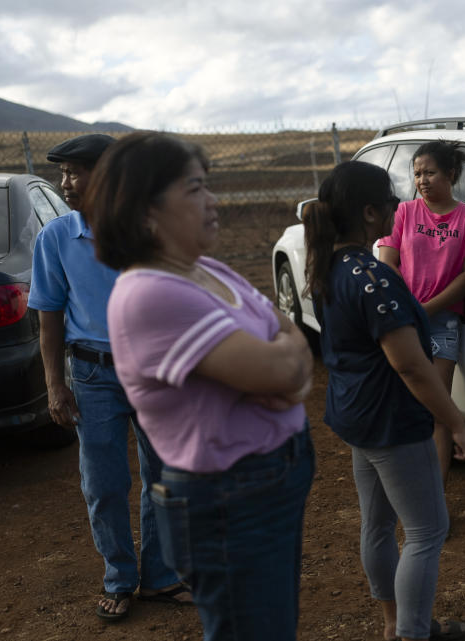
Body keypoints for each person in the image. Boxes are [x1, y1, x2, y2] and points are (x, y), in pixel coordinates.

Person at [88, 131, 315, 640]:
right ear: (146, 209)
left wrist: (284, 362)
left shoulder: (205, 269)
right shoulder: (151, 294)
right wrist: (286, 363)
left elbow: (291, 337)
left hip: (267, 480)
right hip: (231, 499)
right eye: (195, 189)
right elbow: (287, 367)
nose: (213, 201)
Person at [304, 160, 465, 641]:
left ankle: (394, 624)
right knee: (426, 531)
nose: (399, 205)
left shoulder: (328, 265)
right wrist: (456, 423)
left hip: (357, 414)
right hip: (391, 419)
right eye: (390, 199)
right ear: (369, 213)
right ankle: (412, 633)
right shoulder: (372, 278)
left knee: (377, 525)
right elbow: (411, 366)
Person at [28, 133, 190, 621]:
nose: (65, 183)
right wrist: (56, 385)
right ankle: (119, 577)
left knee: (164, 479)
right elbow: (49, 318)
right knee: (103, 484)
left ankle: (160, 580)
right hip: (93, 376)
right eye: (63, 174)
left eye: (75, 172)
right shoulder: (56, 237)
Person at [378, 141, 465, 483]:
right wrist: (410, 308)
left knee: (438, 409)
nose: (422, 180)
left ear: (451, 174)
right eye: (417, 173)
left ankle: (434, 496)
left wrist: (427, 309)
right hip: (400, 319)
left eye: (430, 172)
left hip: (442, 322)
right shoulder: (404, 213)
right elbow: (387, 264)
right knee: (401, 406)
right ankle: (404, 487)